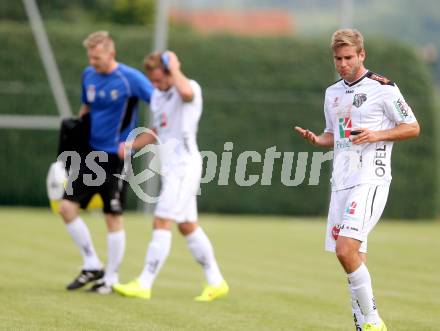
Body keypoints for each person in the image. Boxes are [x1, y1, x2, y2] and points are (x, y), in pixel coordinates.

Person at [294, 29, 419, 331]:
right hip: (342, 181)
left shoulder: (384, 88)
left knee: (345, 249)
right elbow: (333, 136)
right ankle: (363, 325)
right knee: (352, 257)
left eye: (349, 57)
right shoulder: (332, 93)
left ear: (362, 55)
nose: (343, 64)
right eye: (338, 59)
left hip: (370, 179)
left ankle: (374, 321)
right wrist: (317, 139)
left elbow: (412, 127)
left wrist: (378, 134)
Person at [113, 51, 229, 301]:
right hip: (171, 168)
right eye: (152, 81)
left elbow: (186, 93)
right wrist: (131, 145)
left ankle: (144, 283)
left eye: (159, 79)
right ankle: (216, 282)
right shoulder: (157, 96)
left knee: (161, 220)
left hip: (184, 166)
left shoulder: (187, 88)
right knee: (187, 226)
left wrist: (174, 66)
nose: (156, 85)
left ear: (169, 72)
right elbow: (158, 130)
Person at [58, 31, 153, 294]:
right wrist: (75, 134)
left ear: (111, 54)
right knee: (66, 208)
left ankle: (110, 279)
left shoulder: (129, 78)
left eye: (97, 56)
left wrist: (135, 144)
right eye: (90, 56)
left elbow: (162, 105)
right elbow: (86, 108)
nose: (93, 61)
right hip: (89, 154)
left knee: (112, 215)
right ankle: (91, 264)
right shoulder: (88, 75)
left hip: (115, 157)